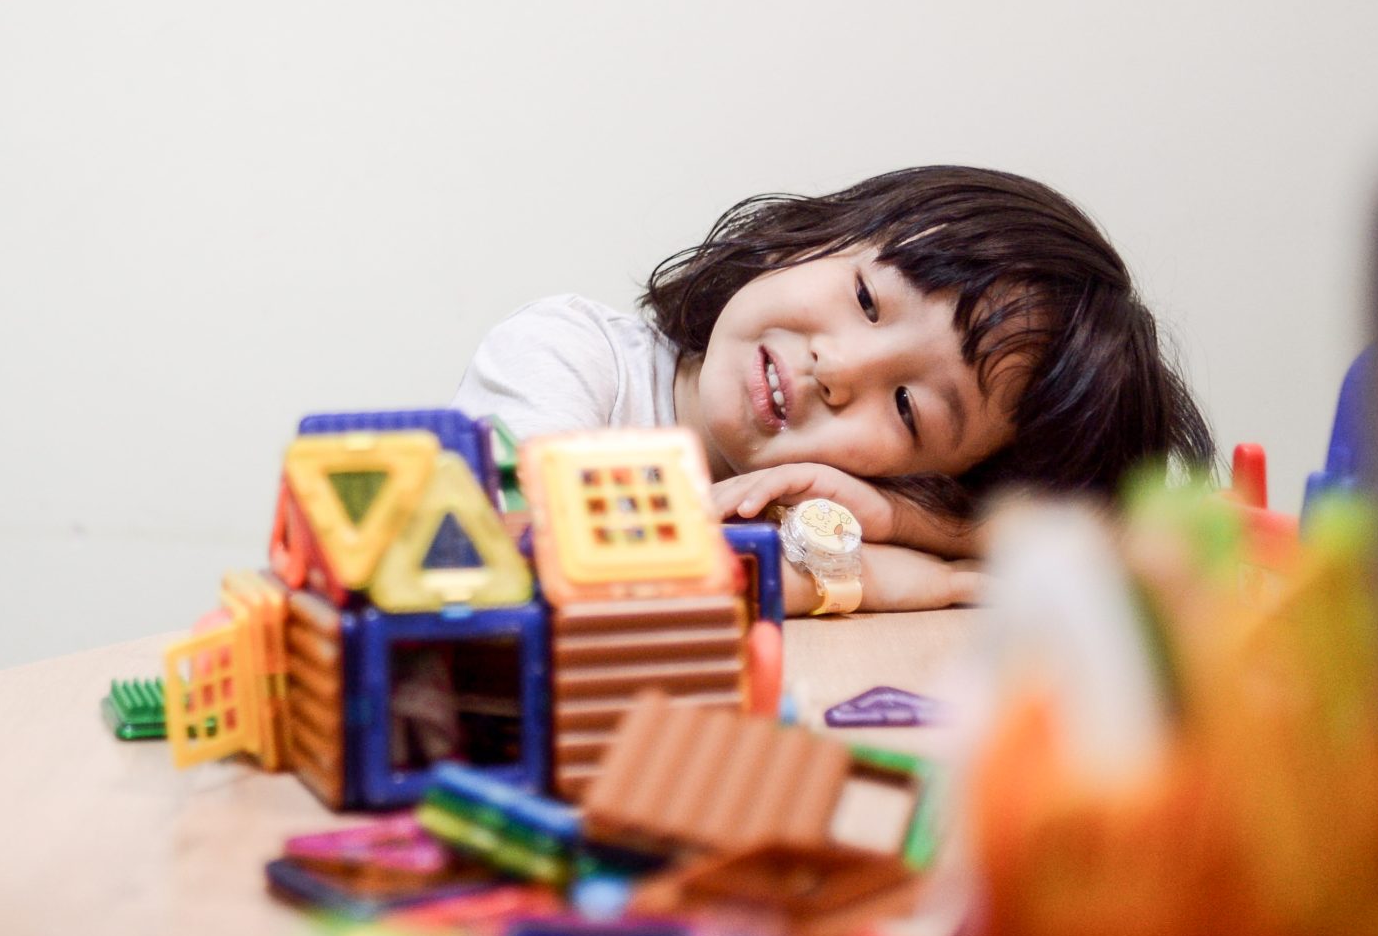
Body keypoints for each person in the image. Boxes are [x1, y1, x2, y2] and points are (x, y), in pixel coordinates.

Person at [452, 166, 1213, 612]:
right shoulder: (565, 355)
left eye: (908, 407)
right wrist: (862, 576)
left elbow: (1128, 550)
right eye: (867, 299)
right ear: (815, 236)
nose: (840, 368)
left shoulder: (863, 514)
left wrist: (924, 526)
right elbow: (539, 575)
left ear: (935, 480)